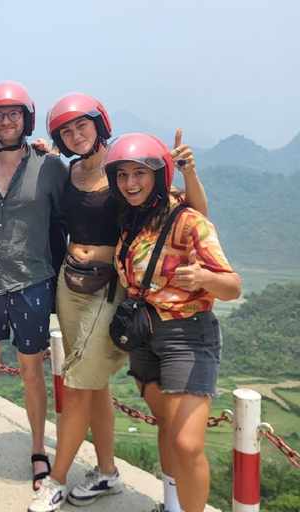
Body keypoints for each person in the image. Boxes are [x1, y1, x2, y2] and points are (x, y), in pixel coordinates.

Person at [28, 94, 209, 512]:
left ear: (100, 124)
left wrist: (188, 172)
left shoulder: (125, 168)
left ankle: (55, 481)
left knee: (75, 387)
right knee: (95, 385)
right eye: (66, 131)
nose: (75, 135)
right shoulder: (68, 169)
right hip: (69, 285)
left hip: (111, 290)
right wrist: (44, 151)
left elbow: (193, 213)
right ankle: (106, 472)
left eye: (82, 126)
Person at [104, 133, 241, 512]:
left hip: (187, 334)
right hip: (145, 335)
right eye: (122, 175)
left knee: (187, 443)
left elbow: (231, 287)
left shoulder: (187, 219)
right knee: (164, 424)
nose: (130, 183)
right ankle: (171, 505)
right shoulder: (131, 219)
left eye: (140, 174)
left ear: (159, 175)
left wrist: (203, 279)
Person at [0, 81, 68, 490]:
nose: (6, 121)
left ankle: (38, 448)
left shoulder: (50, 166)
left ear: (27, 118)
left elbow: (74, 212)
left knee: (30, 372)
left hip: (32, 282)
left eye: (14, 113)